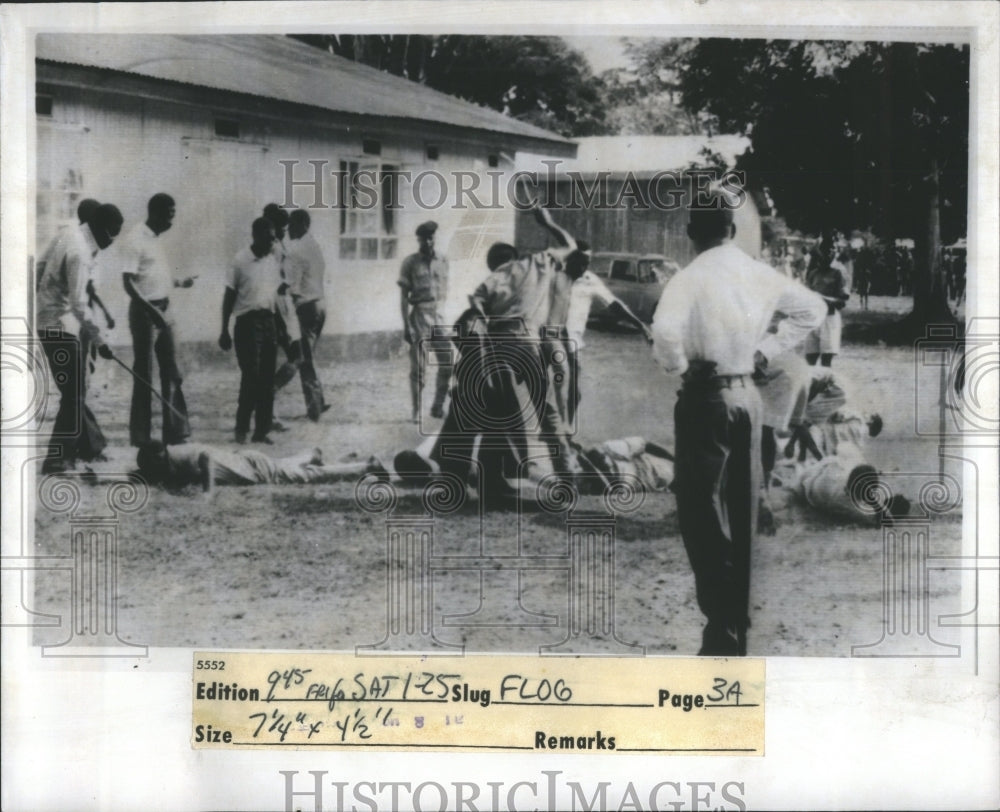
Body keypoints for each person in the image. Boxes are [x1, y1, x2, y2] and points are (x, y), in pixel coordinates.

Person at [652, 197, 826, 656]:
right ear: (731, 230)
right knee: (742, 505)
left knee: (700, 507)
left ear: (693, 231)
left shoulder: (688, 277)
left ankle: (722, 623)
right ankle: (737, 621)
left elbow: (666, 334)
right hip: (747, 394)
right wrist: (763, 352)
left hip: (707, 395)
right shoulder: (757, 271)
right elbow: (813, 310)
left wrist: (677, 364)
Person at [35, 203, 125, 473]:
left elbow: (39, 267)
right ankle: (57, 459)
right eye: (112, 234)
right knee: (74, 393)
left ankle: (90, 447)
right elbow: (79, 304)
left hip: (51, 322)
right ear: (99, 228)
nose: (113, 241)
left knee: (74, 391)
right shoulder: (80, 252)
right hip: (60, 326)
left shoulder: (68, 234)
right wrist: (100, 341)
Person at [121, 193, 196, 447]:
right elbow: (129, 282)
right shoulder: (135, 239)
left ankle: (175, 433)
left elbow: (153, 276)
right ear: (156, 213)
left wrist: (179, 283)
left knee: (173, 371)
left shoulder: (155, 239)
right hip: (145, 314)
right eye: (170, 215)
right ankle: (141, 437)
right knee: (145, 375)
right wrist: (152, 312)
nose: (172, 220)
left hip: (165, 309)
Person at [563, 257, 652, 425]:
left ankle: (564, 436)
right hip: (550, 338)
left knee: (573, 393)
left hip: (571, 342)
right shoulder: (555, 276)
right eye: (580, 259)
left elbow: (614, 304)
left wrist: (640, 325)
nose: (584, 266)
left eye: (587, 261)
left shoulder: (589, 280)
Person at [219, 217, 281, 444]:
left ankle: (262, 431)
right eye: (268, 238)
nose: (272, 242)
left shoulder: (273, 259)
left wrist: (279, 327)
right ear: (255, 235)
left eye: (274, 238)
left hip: (269, 322)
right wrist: (224, 330)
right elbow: (228, 297)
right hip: (247, 324)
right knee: (251, 378)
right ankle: (241, 429)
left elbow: (274, 295)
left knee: (267, 379)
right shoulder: (239, 261)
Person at [136, 441, 386, 493]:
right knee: (282, 468)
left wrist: (207, 492)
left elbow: (205, 459)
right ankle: (311, 453)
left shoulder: (178, 456)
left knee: (309, 477)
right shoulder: (173, 453)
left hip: (254, 469)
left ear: (159, 457)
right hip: (249, 460)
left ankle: (366, 467)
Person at [398, 220, 451, 421]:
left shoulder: (444, 260)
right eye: (424, 238)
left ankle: (437, 407)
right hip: (419, 317)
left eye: (431, 238)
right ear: (418, 239)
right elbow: (403, 297)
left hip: (439, 317)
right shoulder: (410, 262)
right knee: (419, 368)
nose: (428, 242)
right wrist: (406, 325)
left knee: (448, 364)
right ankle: (417, 410)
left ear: (435, 238)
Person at [284, 209, 329, 421]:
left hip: (307, 308)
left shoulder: (297, 251)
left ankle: (315, 409)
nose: (288, 231)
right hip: (320, 305)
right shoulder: (314, 246)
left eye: (291, 226)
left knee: (304, 359)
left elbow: (292, 287)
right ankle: (318, 402)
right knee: (308, 356)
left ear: (302, 225)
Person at [262, 202, 300, 428]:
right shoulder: (274, 248)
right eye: (282, 227)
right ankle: (268, 401)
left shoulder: (276, 245)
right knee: (296, 356)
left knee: (291, 357)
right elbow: (273, 280)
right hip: (279, 306)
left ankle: (268, 406)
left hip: (284, 304)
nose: (286, 231)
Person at [804, 234, 849, 367]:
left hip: (829, 319)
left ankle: (824, 385)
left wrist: (821, 298)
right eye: (824, 250)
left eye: (831, 251)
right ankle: (810, 386)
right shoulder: (813, 274)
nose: (828, 254)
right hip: (812, 319)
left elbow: (842, 302)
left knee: (826, 360)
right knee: (810, 359)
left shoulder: (838, 273)